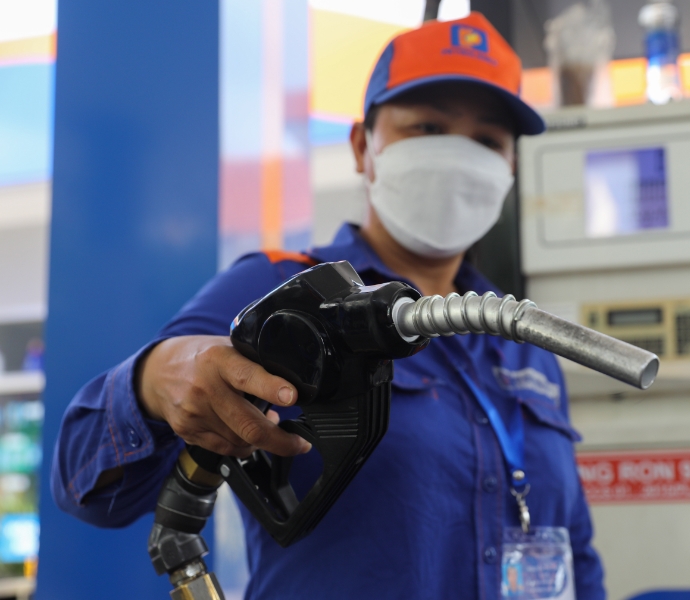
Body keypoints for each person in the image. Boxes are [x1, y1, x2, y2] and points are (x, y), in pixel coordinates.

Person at [51, 12, 604, 600]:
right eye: (428, 127)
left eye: (487, 141)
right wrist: (154, 381)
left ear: (510, 166)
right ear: (364, 146)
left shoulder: (524, 342)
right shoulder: (281, 291)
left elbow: (575, 547)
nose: (459, 157)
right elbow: (85, 484)